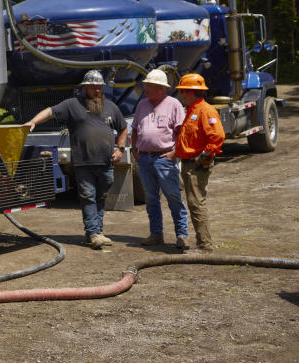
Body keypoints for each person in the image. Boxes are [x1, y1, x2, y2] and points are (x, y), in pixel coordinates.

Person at [22, 70, 127, 249]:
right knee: (88, 197)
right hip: (83, 162)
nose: (97, 91)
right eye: (93, 87)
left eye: (99, 87)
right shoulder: (72, 104)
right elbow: (51, 112)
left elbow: (123, 128)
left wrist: (121, 149)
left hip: (106, 162)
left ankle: (95, 232)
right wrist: (33, 121)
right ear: (85, 87)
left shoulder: (110, 107)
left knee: (101, 197)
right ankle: (94, 232)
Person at [130, 69, 189, 250]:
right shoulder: (142, 105)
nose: (145, 89)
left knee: (173, 196)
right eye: (145, 85)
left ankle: (182, 235)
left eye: (149, 86)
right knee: (151, 198)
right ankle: (156, 234)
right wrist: (134, 149)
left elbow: (182, 132)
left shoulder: (173, 105)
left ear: (161, 89)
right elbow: (134, 128)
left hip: (164, 158)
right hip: (145, 158)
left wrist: (175, 153)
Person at [174, 73, 225, 251]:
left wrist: (203, 157)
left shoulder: (205, 110)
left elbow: (217, 136)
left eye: (183, 92)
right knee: (194, 202)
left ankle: (205, 244)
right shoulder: (192, 110)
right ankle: (203, 242)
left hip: (196, 164)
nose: (181, 95)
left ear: (190, 92)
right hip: (190, 163)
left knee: (196, 203)